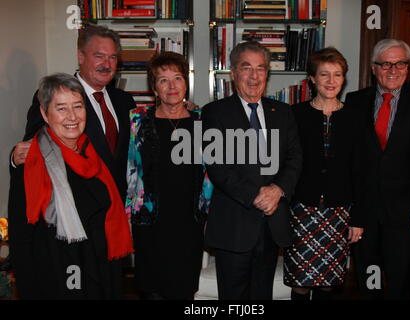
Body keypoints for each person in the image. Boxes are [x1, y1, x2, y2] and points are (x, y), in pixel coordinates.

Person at [8, 73, 133, 299]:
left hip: (100, 270)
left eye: (78, 106)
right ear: (45, 114)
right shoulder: (32, 162)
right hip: (60, 277)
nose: (72, 116)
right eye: (61, 108)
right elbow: (21, 238)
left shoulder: (91, 153)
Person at [345, 39, 410, 299]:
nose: (393, 70)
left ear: (407, 67)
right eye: (386, 64)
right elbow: (350, 159)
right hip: (365, 211)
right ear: (374, 68)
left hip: (406, 213)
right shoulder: (355, 101)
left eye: (400, 63)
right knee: (369, 277)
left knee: (400, 281)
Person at [202, 41, 302, 300]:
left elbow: (294, 158)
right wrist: (258, 196)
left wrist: (277, 190)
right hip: (234, 225)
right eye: (247, 68)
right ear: (234, 73)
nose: (254, 76)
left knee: (262, 296)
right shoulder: (215, 113)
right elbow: (218, 167)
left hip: (271, 225)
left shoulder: (282, 112)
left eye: (261, 68)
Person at [12, 25, 136, 201]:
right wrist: (14, 158)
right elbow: (32, 149)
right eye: (99, 56)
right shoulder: (55, 98)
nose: (107, 64)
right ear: (81, 56)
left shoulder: (125, 101)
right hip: (78, 209)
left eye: (112, 57)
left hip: (121, 209)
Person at [283, 47, 364, 300]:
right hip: (300, 211)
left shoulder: (356, 117)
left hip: (340, 212)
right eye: (324, 74)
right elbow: (285, 163)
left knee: (329, 282)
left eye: (337, 75)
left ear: (343, 79)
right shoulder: (294, 115)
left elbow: (363, 171)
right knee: (300, 282)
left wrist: (358, 218)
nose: (331, 81)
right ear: (313, 79)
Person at [126, 52, 207, 300]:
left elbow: (211, 173)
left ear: (186, 83)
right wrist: (129, 213)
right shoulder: (138, 121)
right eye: (163, 80)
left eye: (178, 78)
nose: (172, 86)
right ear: (154, 88)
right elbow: (131, 170)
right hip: (150, 222)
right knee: (152, 291)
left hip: (189, 223)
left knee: (183, 291)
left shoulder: (203, 121)